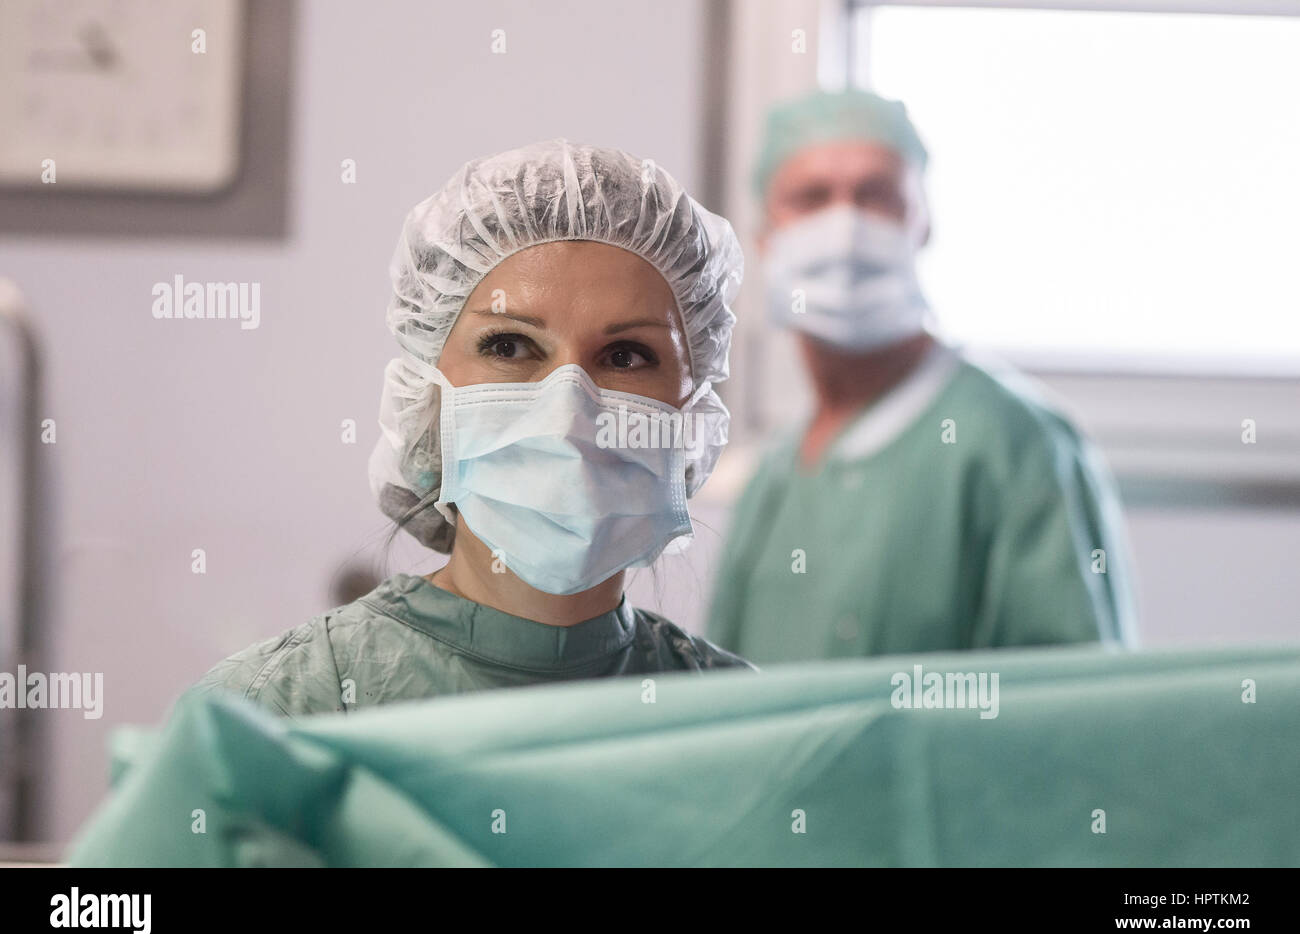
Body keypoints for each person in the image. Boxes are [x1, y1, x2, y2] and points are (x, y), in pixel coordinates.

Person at [191, 139, 755, 717]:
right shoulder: (274, 712)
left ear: (693, 412)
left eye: (628, 356)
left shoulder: (742, 725)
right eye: (509, 346)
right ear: (426, 395)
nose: (568, 412)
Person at [706, 89, 1138, 662]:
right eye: (812, 197)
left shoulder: (1016, 446)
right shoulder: (773, 477)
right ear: (763, 237)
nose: (845, 227)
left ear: (924, 222)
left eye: (875, 195)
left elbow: (1072, 714)